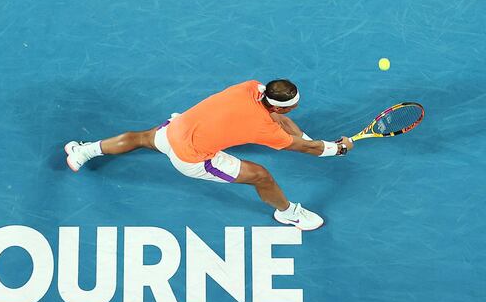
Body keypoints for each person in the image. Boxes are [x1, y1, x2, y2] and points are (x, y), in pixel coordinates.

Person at [64, 79, 353, 231]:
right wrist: (336, 148)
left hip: (175, 129)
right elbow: (301, 147)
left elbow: (286, 127)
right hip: (191, 157)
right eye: (292, 107)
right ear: (280, 108)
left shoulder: (250, 88)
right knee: (261, 176)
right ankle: (289, 214)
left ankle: (81, 152)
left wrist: (309, 139)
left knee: (140, 138)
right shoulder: (266, 127)